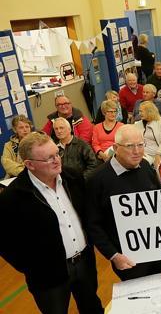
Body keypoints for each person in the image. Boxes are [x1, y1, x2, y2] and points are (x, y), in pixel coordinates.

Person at [0, 132, 103, 314]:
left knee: (92, 308)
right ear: (29, 164)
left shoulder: (73, 178)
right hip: (47, 277)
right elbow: (5, 241)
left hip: (84, 263)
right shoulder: (13, 197)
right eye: (49, 158)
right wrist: (31, 266)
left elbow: (87, 214)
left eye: (57, 154)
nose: (57, 160)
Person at [86, 125, 161, 281]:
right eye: (130, 146)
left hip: (159, 250)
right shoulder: (97, 179)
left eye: (141, 145)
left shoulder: (146, 168)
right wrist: (113, 255)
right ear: (115, 148)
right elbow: (93, 224)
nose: (137, 151)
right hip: (128, 258)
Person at [53, 117, 99, 183]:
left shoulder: (82, 145)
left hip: (82, 184)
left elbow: (93, 165)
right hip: (62, 184)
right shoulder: (54, 148)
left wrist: (82, 179)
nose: (59, 131)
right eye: (56, 129)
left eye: (61, 128)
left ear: (69, 129)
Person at [133, 101, 161, 168]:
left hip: (159, 153)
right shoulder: (137, 124)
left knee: (159, 167)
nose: (139, 114)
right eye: (139, 111)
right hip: (143, 154)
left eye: (141, 111)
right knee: (140, 163)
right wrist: (139, 152)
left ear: (149, 111)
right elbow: (134, 140)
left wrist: (159, 154)